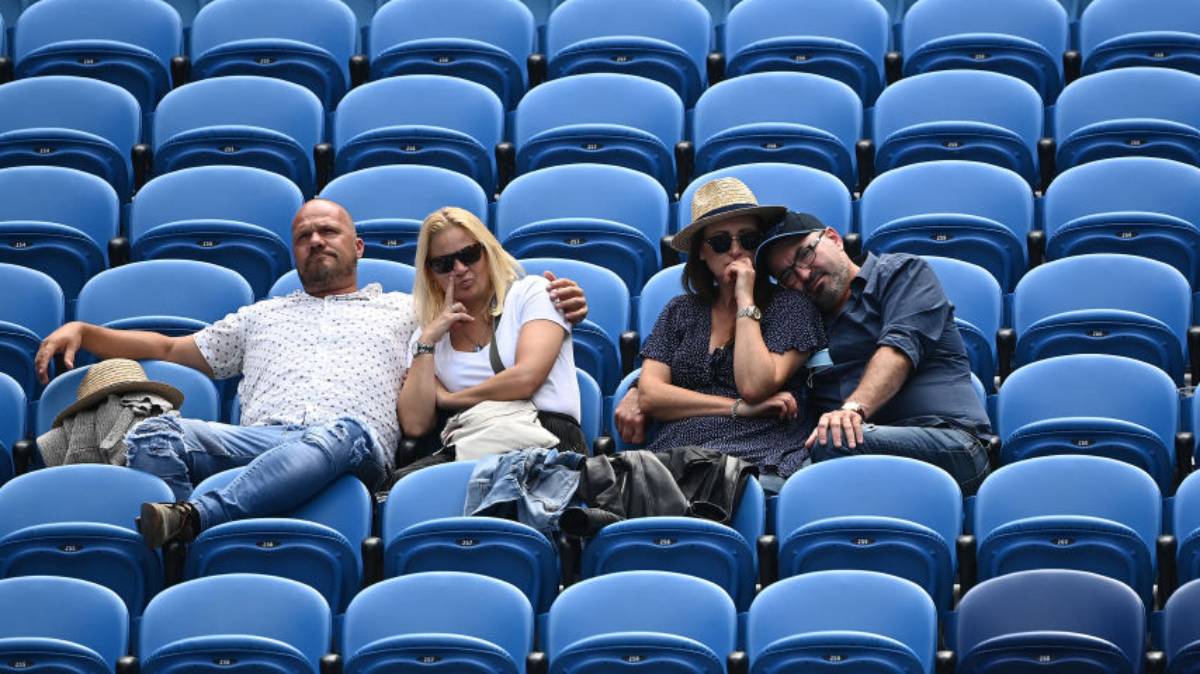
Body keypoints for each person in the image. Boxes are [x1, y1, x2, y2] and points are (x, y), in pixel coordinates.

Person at [34, 199, 589, 547]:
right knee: (154, 430)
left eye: (329, 231)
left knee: (341, 428)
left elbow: (481, 304)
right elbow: (168, 346)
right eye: (304, 235)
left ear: (358, 246)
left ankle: (195, 517)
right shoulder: (260, 316)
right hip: (261, 441)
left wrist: (568, 300)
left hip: (350, 441)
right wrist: (88, 332)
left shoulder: (407, 310)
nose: (317, 240)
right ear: (293, 252)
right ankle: (182, 547)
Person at [755, 213, 991, 493]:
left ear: (833, 238)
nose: (803, 275)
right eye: (787, 276)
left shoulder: (901, 273)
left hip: (949, 445)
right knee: (754, 485)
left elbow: (898, 349)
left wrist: (852, 410)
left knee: (834, 441)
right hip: (848, 453)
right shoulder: (804, 325)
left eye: (805, 254)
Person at [632, 178, 825, 479]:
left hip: (757, 454)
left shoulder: (791, 307)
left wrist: (745, 298)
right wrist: (737, 407)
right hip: (675, 459)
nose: (735, 251)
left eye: (747, 240)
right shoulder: (679, 310)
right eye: (721, 243)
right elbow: (651, 396)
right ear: (702, 253)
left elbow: (755, 386)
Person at [399, 207, 585, 454]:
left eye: (469, 254)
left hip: (547, 438)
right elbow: (415, 424)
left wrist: (449, 399)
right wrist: (428, 340)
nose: (460, 268)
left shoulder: (532, 293)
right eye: (444, 264)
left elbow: (525, 379)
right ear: (430, 275)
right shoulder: (428, 336)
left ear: (489, 252)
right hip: (474, 442)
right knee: (402, 489)